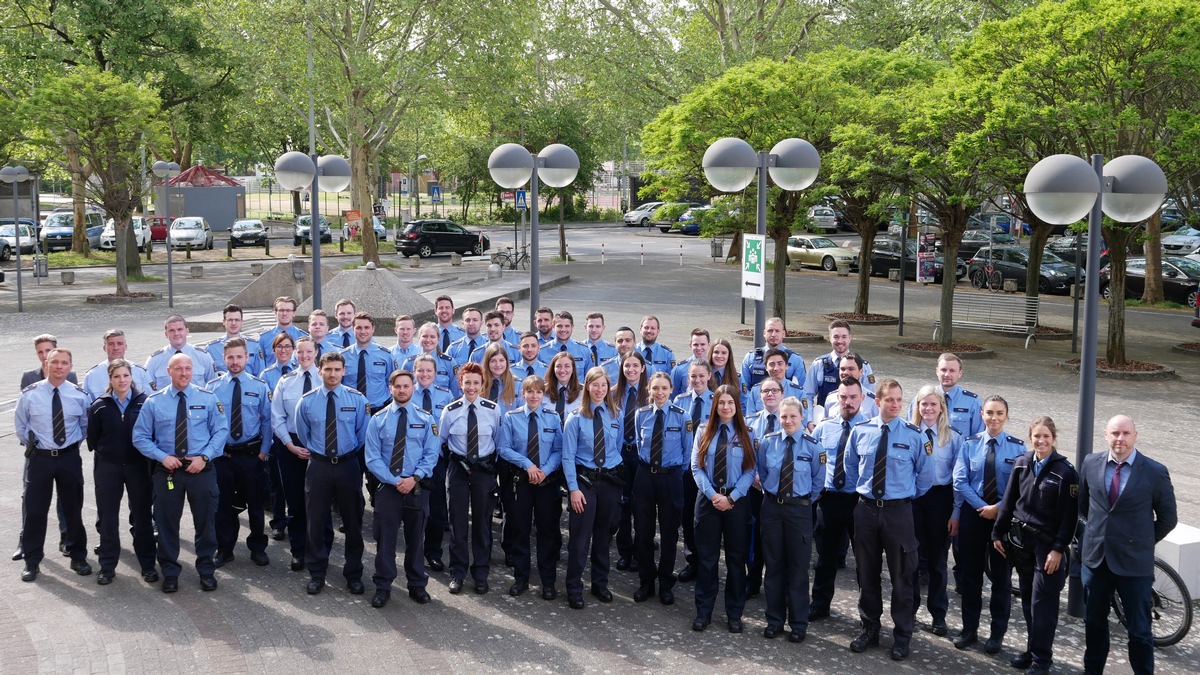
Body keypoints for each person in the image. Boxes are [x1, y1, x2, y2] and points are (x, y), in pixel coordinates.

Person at [1080, 414, 1177, 675]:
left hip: (1134, 566)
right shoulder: (1090, 463)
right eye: (1114, 433)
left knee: (1139, 630)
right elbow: (1085, 507)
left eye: (1125, 433)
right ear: (1105, 435)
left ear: (1136, 436)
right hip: (1097, 561)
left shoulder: (1155, 472)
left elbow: (1168, 518)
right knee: (1094, 625)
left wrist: (1141, 542)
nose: (1119, 438)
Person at [845, 378, 931, 660]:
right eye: (890, 400)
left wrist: (901, 497)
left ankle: (902, 635)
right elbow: (850, 466)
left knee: (903, 576)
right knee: (866, 573)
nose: (895, 405)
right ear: (878, 402)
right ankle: (869, 628)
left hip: (898, 512)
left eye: (899, 400)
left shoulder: (914, 435)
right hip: (866, 510)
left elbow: (925, 477)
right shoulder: (861, 431)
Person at [132, 353, 228, 592]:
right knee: (166, 524)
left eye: (187, 368)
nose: (184, 373)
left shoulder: (207, 398)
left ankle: (206, 569)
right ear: (169, 371)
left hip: (200, 469)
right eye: (178, 368)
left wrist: (204, 457)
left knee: (205, 523)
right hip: (168, 471)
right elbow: (140, 436)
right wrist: (162, 457)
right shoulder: (154, 401)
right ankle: (170, 572)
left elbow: (221, 430)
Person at [992, 416, 1079, 675]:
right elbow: (1008, 502)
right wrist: (997, 533)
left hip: (1048, 547)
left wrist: (1058, 548)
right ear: (1030, 437)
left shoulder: (1065, 472)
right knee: (1029, 601)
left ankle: (1042, 660)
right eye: (1037, 436)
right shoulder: (1021, 463)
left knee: (1043, 605)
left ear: (1053, 439)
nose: (1041, 441)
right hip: (1022, 543)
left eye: (1046, 437)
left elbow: (1070, 517)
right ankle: (1032, 650)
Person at [14, 347, 93, 582]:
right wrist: (35, 446)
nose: (59, 367)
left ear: (70, 366)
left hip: (69, 458)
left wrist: (70, 447)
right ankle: (32, 561)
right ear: (46, 364)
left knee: (72, 509)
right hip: (40, 459)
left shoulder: (79, 395)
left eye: (64, 363)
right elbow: (21, 427)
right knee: (35, 511)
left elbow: (85, 426)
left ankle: (78, 556)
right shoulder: (30, 394)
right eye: (54, 362)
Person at [952, 395, 1024, 654]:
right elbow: (960, 481)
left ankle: (997, 634)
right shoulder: (969, 444)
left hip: (1002, 519)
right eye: (990, 413)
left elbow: (1020, 487)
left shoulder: (1018, 448)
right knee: (971, 578)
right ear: (981, 414)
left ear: (1006, 416)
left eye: (999, 413)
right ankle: (969, 630)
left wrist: (998, 509)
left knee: (1001, 580)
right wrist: (983, 507)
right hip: (975, 516)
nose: (994, 418)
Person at [294, 352, 369, 596]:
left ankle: (354, 574)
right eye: (328, 369)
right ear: (320, 371)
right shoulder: (306, 401)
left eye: (337, 369)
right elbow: (303, 434)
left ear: (344, 371)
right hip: (319, 466)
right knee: (315, 522)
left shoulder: (357, 400)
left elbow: (361, 435)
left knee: (353, 522)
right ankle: (317, 573)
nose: (333, 374)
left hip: (348, 466)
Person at [364, 370, 439, 608]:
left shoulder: (427, 419)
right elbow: (372, 457)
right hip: (388, 487)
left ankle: (417, 585)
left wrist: (413, 478)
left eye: (407, 386)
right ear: (390, 388)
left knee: (416, 539)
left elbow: (431, 455)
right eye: (398, 386)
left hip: (416, 487)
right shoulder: (378, 419)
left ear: (413, 388)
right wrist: (394, 480)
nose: (402, 390)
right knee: (385, 539)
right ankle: (383, 586)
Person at [690, 384, 757, 633]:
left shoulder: (746, 433)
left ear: (736, 406)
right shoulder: (703, 431)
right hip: (708, 501)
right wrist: (713, 495)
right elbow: (696, 468)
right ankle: (703, 612)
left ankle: (734, 613)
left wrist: (732, 498)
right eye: (721, 403)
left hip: (736, 504)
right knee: (707, 560)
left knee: (736, 561)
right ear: (715, 405)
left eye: (730, 402)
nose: (726, 407)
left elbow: (751, 470)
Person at [756, 396, 824, 642]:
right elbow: (762, 473)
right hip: (772, 508)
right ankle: (774, 620)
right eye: (784, 416)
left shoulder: (813, 446)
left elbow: (818, 483)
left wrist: (801, 501)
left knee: (798, 568)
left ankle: (798, 623)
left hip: (800, 511)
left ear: (802, 418)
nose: (788, 420)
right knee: (773, 566)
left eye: (793, 416)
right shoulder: (768, 443)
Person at [86, 359, 157, 585]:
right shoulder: (100, 406)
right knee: (108, 518)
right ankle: (107, 566)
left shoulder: (145, 402)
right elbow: (93, 438)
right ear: (110, 379)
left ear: (131, 377)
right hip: (108, 467)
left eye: (125, 376)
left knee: (142, 517)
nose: (122, 380)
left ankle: (147, 565)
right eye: (117, 376)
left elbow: (152, 434)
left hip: (138, 466)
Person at [562, 366, 624, 610]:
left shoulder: (615, 414)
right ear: (587, 387)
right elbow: (568, 456)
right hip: (584, 483)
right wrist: (573, 489)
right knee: (580, 538)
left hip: (608, 482)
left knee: (603, 536)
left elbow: (615, 450)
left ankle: (600, 583)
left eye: (603, 385)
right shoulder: (576, 418)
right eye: (595, 385)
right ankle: (574, 587)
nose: (599, 389)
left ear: (608, 388)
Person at [208, 338, 273, 568]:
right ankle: (224, 549)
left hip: (251, 455)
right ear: (224, 359)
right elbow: (208, 424)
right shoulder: (213, 387)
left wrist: (263, 452)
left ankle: (257, 547)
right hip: (223, 457)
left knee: (255, 505)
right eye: (230, 357)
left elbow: (267, 421)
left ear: (247, 357)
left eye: (239, 356)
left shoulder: (259, 386)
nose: (235, 362)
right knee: (222, 506)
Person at [497, 376, 564, 599]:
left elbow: (558, 450)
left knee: (547, 532)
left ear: (543, 395)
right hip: (521, 481)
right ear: (522, 394)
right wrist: (528, 466)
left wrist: (544, 470)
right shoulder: (511, 417)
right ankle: (521, 578)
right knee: (520, 530)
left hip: (547, 482)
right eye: (530, 391)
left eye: (538, 392)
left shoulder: (553, 419)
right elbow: (504, 448)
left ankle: (548, 581)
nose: (534, 396)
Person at [439, 362, 502, 595]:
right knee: (457, 524)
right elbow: (441, 441)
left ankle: (481, 574)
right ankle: (457, 573)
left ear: (483, 384)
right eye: (467, 383)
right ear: (460, 384)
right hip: (458, 469)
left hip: (483, 470)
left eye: (476, 382)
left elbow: (498, 440)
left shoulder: (492, 409)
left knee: (482, 525)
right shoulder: (451, 410)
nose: (472, 387)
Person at [809, 376, 869, 621]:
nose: (848, 402)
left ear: (862, 398)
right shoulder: (824, 428)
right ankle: (820, 605)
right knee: (826, 559)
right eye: (843, 397)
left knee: (865, 562)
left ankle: (868, 615)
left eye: (853, 397)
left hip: (860, 501)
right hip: (830, 499)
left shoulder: (871, 428)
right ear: (836, 399)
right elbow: (816, 462)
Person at [908, 384, 964, 638]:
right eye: (924, 404)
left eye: (933, 404)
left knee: (938, 562)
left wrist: (956, 512)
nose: (928, 408)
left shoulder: (953, 437)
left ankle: (938, 615)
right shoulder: (909, 433)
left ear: (942, 407)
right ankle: (909, 611)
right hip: (914, 500)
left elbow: (959, 479)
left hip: (941, 500)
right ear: (917, 407)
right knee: (911, 560)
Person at [17, 333, 77, 562]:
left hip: (65, 453)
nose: (44, 356)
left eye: (47, 351)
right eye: (40, 352)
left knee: (68, 499)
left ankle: (67, 539)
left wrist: (69, 444)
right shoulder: (29, 379)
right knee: (31, 500)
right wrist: (34, 443)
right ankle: (26, 543)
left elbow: (78, 420)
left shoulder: (70, 376)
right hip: (38, 452)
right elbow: (22, 421)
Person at [631, 371, 689, 605]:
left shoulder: (682, 417)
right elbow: (638, 443)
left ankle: (666, 583)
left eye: (664, 388)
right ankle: (646, 581)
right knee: (643, 532)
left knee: (669, 533)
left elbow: (687, 453)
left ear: (671, 389)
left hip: (671, 477)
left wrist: (672, 473)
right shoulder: (641, 414)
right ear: (649, 390)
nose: (660, 393)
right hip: (645, 476)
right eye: (655, 388)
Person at [270, 337, 324, 571]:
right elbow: (277, 417)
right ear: (294, 354)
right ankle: (298, 550)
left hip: (320, 447)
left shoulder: (326, 379)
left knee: (318, 503)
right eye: (299, 352)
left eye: (308, 351)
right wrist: (289, 445)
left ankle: (319, 550)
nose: (304, 356)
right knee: (295, 502)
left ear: (316, 352)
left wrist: (317, 447)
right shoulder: (285, 381)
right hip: (290, 446)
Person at [411, 354, 454, 574]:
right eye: (421, 370)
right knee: (415, 510)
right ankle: (415, 553)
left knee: (437, 510)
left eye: (429, 371)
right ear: (414, 372)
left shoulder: (445, 396)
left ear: (435, 373)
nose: (425, 374)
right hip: (412, 461)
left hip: (436, 460)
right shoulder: (407, 394)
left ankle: (433, 552)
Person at [673, 359, 714, 583]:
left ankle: (708, 562)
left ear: (709, 376)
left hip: (709, 469)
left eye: (701, 376)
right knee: (687, 516)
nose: (697, 380)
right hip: (685, 468)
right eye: (693, 376)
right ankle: (692, 560)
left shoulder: (717, 401)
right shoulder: (680, 401)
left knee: (706, 518)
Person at [614, 351, 649, 572]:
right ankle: (624, 551)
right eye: (627, 366)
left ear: (643, 368)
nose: (631, 370)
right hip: (619, 455)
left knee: (642, 507)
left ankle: (640, 552)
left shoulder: (650, 394)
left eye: (636, 366)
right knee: (622, 505)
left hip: (641, 456)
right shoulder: (613, 394)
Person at [803, 319, 874, 422]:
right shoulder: (818, 364)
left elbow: (870, 399)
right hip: (826, 422)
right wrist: (809, 421)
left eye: (844, 337)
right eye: (836, 337)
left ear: (850, 338)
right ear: (830, 338)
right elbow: (807, 395)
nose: (840, 341)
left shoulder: (864, 366)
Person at [340, 312, 394, 414]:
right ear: (353, 329)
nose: (363, 331)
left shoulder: (386, 355)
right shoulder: (343, 357)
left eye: (366, 327)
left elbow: (392, 382)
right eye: (359, 327)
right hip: (351, 411)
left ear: (373, 329)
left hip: (379, 410)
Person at [144, 315, 216, 390]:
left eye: (180, 329)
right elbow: (147, 388)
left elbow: (213, 385)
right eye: (172, 330)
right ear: (166, 334)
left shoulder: (203, 356)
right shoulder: (154, 360)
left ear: (187, 331)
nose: (176, 333)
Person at [739, 317, 806, 390]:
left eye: (777, 331)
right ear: (764, 333)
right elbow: (744, 390)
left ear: (783, 334)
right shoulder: (751, 357)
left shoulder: (795, 359)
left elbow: (801, 390)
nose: (773, 334)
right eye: (770, 331)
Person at [82, 329, 151, 398]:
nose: (116, 348)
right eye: (111, 344)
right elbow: (86, 404)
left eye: (119, 343)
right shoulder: (92, 375)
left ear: (125, 347)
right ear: (104, 348)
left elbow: (151, 401)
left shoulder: (140, 372)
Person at [204, 304, 264, 376]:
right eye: (230, 320)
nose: (233, 323)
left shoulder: (254, 345)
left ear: (242, 322)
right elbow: (207, 375)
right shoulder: (211, 349)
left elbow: (260, 374)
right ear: (224, 322)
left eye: (237, 320)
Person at [402, 322, 459, 396]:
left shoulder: (449, 362)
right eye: (425, 336)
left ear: (438, 339)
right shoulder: (409, 363)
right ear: (419, 338)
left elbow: (455, 392)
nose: (428, 340)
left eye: (432, 337)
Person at [744, 348, 804, 415]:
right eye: (772, 364)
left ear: (786, 366)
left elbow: (803, 420)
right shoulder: (756, 390)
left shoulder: (798, 392)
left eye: (780, 364)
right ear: (766, 367)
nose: (776, 368)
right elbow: (750, 419)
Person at [538, 311, 591, 381]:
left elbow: (590, 378)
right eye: (559, 326)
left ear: (572, 327)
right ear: (553, 326)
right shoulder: (541, 352)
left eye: (567, 326)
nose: (563, 330)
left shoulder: (584, 350)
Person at [258, 297, 308, 369]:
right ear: (275, 313)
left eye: (288, 310)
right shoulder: (264, 338)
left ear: (294, 313)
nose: (284, 314)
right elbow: (260, 364)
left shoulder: (304, 337)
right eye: (281, 310)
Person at [545, 352, 582, 423]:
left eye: (567, 366)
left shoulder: (583, 392)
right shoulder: (543, 391)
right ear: (553, 369)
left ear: (573, 369)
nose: (562, 370)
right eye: (558, 366)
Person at [671, 328, 710, 396]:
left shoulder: (714, 366)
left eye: (703, 344)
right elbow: (672, 395)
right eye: (695, 344)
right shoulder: (679, 369)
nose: (699, 348)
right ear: (690, 345)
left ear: (709, 345)